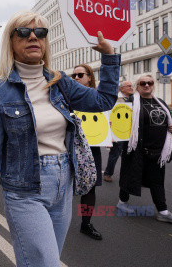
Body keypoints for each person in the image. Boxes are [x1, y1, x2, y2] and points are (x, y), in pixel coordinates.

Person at [0, 11, 119, 266]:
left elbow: (103, 101)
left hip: (63, 184)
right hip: (25, 190)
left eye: (40, 33)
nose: (33, 37)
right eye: (24, 32)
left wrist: (108, 57)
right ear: (11, 42)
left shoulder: (59, 82)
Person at [117, 75, 172, 224]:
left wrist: (170, 128)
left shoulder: (160, 102)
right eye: (143, 83)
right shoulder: (131, 103)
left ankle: (163, 211)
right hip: (137, 149)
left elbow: (166, 121)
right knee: (130, 175)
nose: (147, 85)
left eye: (150, 83)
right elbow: (120, 123)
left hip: (157, 151)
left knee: (157, 181)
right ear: (137, 86)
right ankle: (122, 202)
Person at [72, 63, 103, 240]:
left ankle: (86, 224)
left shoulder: (98, 98)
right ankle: (56, 222)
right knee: (64, 187)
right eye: (74, 75)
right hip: (69, 147)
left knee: (90, 188)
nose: (76, 78)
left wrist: (108, 130)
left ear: (90, 77)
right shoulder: (65, 97)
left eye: (80, 75)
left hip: (91, 148)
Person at [103, 80, 134, 182]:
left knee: (130, 155)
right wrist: (110, 134)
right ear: (122, 88)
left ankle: (130, 175)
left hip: (130, 131)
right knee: (115, 154)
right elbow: (109, 115)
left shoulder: (134, 99)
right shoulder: (116, 99)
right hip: (117, 132)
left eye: (131, 86)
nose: (131, 87)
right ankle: (108, 174)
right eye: (128, 86)